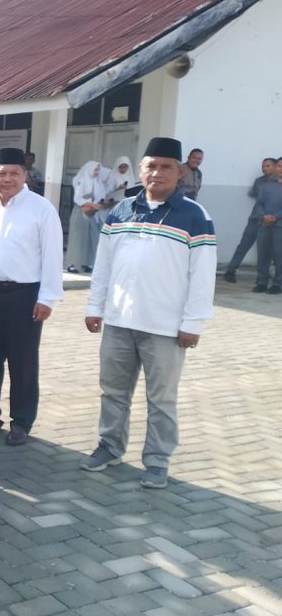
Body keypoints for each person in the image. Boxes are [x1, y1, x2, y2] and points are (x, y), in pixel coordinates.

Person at [81, 137, 216, 488]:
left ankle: (157, 460)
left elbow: (202, 276)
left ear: (180, 172)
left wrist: (193, 322)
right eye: (151, 166)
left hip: (165, 327)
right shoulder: (121, 211)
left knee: (161, 399)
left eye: (166, 167)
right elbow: (103, 265)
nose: (157, 173)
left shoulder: (195, 216)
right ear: (140, 169)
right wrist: (95, 306)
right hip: (119, 322)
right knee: (113, 392)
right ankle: (109, 447)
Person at [0, 147, 63, 446]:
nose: (7, 179)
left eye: (14, 173)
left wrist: (47, 298)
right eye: (2, 173)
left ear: (25, 175)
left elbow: (52, 255)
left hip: (25, 295)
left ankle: (21, 421)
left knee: (22, 362)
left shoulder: (42, 208)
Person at [223, 158, 277, 282]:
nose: (264, 168)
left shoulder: (279, 182)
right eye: (263, 166)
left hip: (271, 220)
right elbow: (256, 196)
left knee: (267, 249)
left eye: (268, 166)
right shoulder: (259, 181)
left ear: (275, 167)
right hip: (256, 218)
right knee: (244, 245)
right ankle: (231, 270)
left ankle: (263, 274)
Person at [64, 161, 108, 273]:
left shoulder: (98, 183)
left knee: (91, 238)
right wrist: (93, 205)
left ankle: (88, 263)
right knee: (78, 239)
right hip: (81, 213)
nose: (97, 172)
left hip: (93, 214)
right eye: (95, 169)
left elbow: (100, 197)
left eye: (98, 170)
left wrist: (100, 204)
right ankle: (72, 264)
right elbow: (78, 199)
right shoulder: (82, 181)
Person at [252, 159, 282, 294]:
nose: (281, 169)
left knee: (279, 255)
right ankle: (262, 282)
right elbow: (259, 203)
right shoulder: (266, 185)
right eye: (279, 166)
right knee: (263, 254)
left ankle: (277, 283)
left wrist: (275, 217)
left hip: (279, 225)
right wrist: (263, 216)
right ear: (276, 168)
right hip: (264, 223)